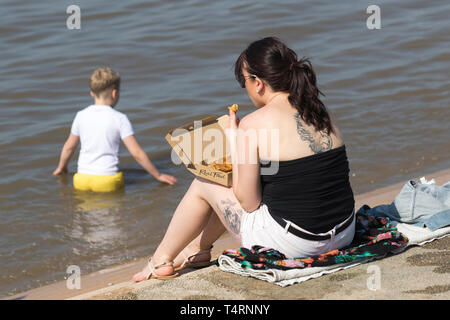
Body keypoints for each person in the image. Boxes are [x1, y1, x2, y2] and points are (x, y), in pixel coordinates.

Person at [132, 37, 355, 281]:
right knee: (231, 184)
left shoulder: (253, 123)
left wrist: (237, 141)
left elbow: (248, 202)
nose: (246, 88)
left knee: (204, 182)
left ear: (258, 83)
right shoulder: (321, 111)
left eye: (244, 81)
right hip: (344, 233)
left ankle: (160, 260)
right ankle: (198, 249)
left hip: (298, 245)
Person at [53, 67, 177, 191]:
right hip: (108, 181)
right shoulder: (120, 119)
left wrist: (61, 167)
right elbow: (137, 153)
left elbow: (69, 147)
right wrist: (158, 175)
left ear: (92, 92)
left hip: (81, 180)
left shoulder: (81, 115)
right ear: (114, 93)